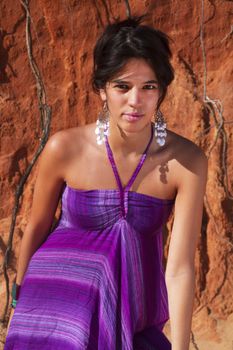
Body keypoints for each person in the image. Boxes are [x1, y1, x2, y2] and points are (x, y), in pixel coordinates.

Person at [4, 16, 207, 350]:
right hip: (54, 310)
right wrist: (20, 302)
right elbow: (37, 226)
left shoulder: (187, 162)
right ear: (102, 89)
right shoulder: (64, 148)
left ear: (162, 91)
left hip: (132, 316)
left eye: (149, 87)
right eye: (122, 86)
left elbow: (181, 267)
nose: (135, 101)